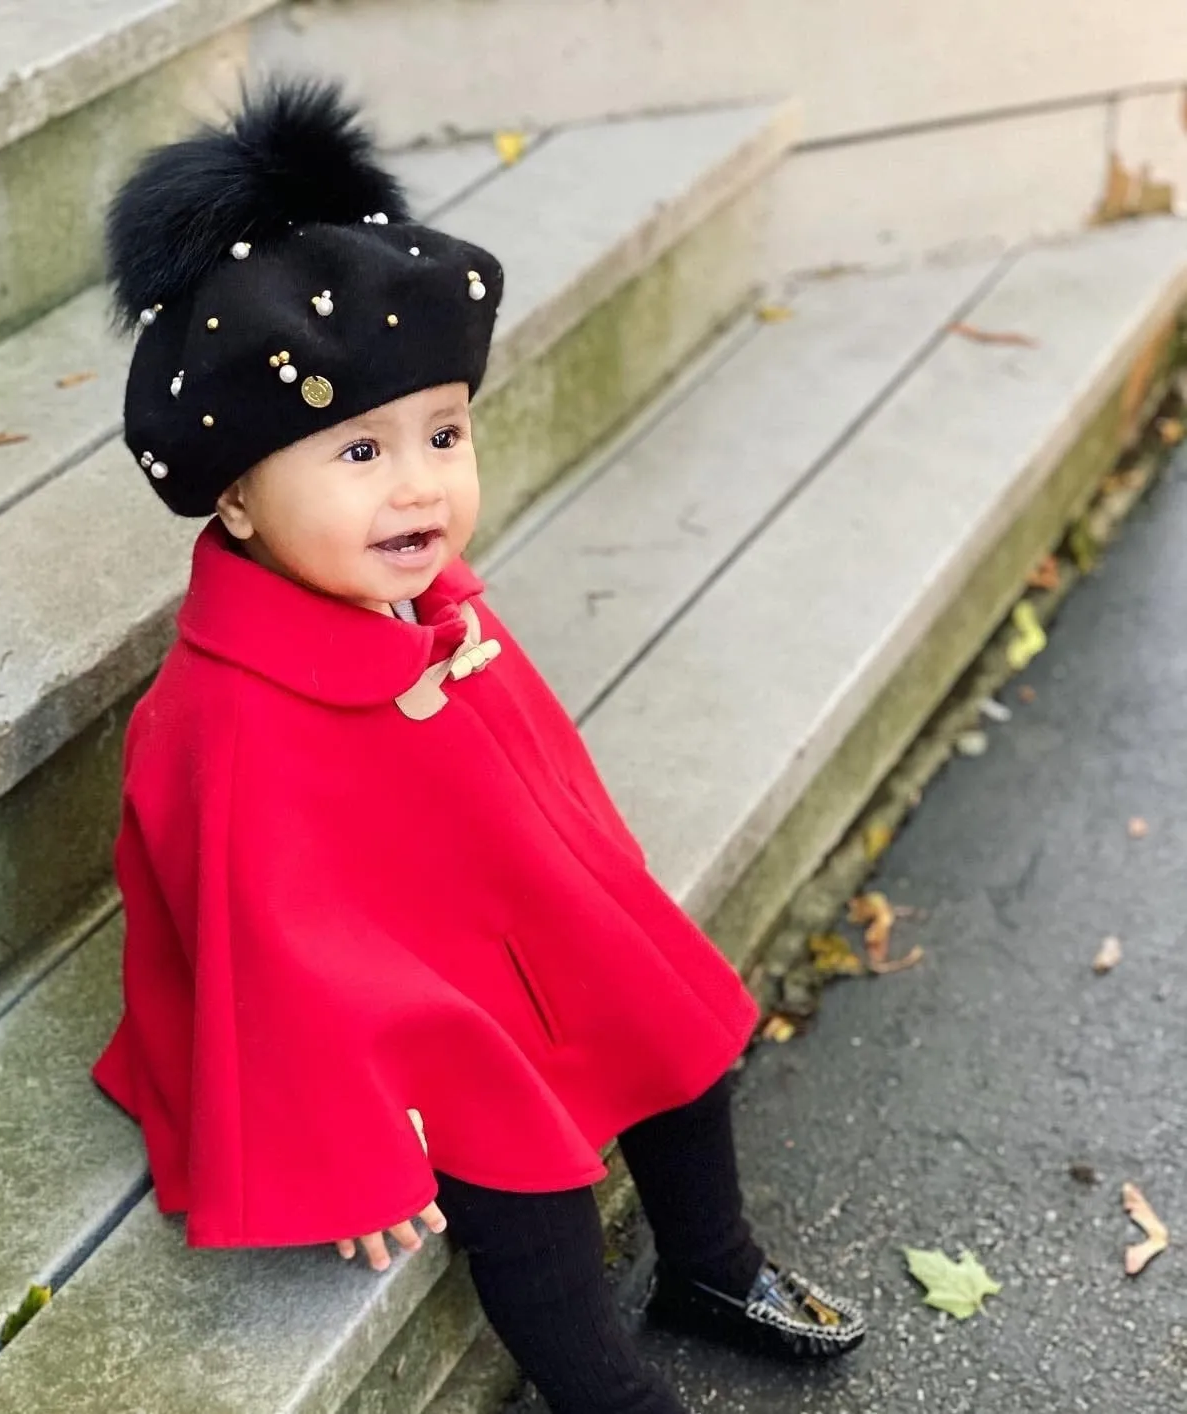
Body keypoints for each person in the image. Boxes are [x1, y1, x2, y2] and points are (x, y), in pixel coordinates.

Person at [90, 78, 866, 1413]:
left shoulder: (431, 610)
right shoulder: (221, 716)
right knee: (518, 1168)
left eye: (444, 434)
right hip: (369, 1008)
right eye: (357, 452)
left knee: (672, 1020)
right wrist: (350, 1142)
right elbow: (260, 946)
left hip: (492, 928)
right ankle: (600, 1388)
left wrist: (601, 923)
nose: (421, 484)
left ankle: (711, 1261)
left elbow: (541, 806)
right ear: (233, 496)